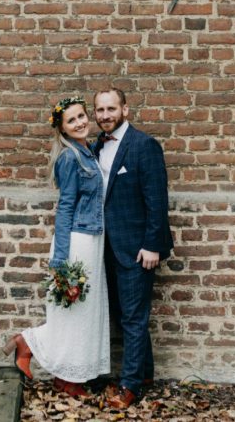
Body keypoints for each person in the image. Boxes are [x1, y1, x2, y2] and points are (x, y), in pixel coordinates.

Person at [2, 96, 110, 397]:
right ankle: (32, 345)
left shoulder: (87, 151)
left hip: (93, 240)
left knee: (85, 312)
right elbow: (64, 209)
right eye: (71, 120)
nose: (80, 123)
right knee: (75, 312)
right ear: (62, 129)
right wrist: (61, 262)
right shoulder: (69, 158)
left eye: (81, 116)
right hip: (77, 242)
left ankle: (65, 378)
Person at [92, 88, 174, 409]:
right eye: (99, 110)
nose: (105, 115)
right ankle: (146, 373)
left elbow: (157, 199)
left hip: (138, 250)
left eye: (111, 108)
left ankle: (130, 386)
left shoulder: (144, 146)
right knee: (127, 315)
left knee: (134, 318)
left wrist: (152, 245)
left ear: (125, 110)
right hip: (109, 249)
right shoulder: (98, 146)